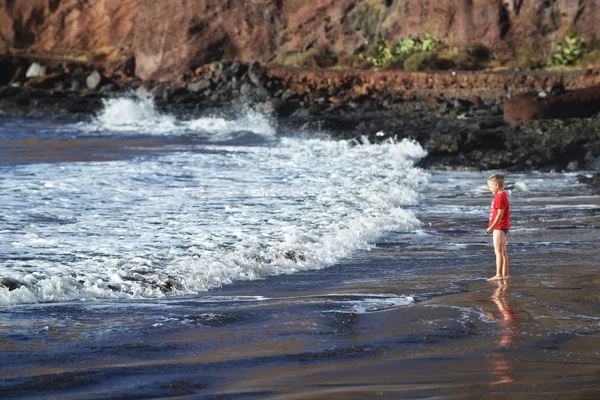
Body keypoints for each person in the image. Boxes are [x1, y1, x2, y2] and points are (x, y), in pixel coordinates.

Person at [486, 173, 510, 281]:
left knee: (498, 251)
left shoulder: (499, 197)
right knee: (503, 251)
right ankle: (505, 274)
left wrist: (492, 226)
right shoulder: (502, 196)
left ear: (496, 186)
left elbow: (500, 214)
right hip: (502, 226)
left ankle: (499, 274)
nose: (490, 189)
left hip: (499, 227)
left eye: (490, 187)